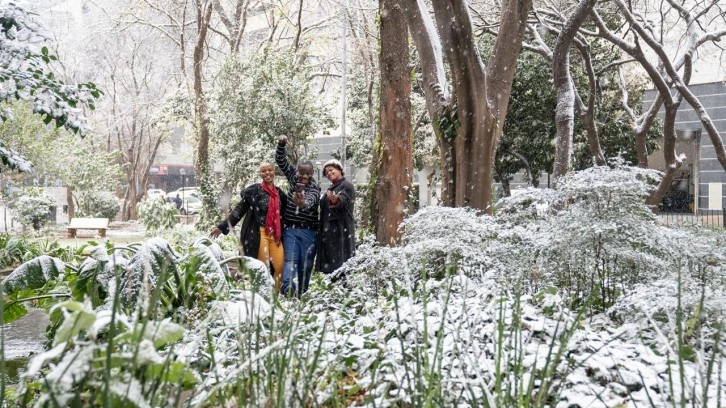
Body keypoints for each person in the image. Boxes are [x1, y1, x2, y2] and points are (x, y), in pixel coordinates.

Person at [210, 162, 288, 290]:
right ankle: (260, 297)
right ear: (260, 174)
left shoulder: (280, 194)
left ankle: (273, 299)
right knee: (262, 268)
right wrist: (222, 227)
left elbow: (285, 215)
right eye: (263, 171)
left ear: (274, 172)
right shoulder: (254, 192)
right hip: (258, 234)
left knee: (280, 267)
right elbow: (238, 210)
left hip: (275, 235)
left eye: (269, 170)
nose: (267, 173)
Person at [275, 136, 321, 298]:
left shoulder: (315, 188)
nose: (304, 176)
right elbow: (280, 160)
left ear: (312, 173)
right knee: (290, 261)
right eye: (301, 172)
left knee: (305, 266)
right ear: (297, 172)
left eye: (307, 173)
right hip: (291, 230)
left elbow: (310, 201)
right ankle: (288, 288)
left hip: (309, 232)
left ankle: (302, 294)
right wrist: (281, 144)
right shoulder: (293, 178)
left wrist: (301, 204)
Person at [316, 158, 356, 275]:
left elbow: (343, 200)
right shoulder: (332, 188)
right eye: (326, 172)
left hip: (340, 232)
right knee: (331, 266)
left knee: (340, 265)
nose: (329, 173)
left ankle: (342, 289)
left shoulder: (346, 186)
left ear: (339, 170)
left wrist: (336, 201)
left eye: (331, 170)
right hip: (329, 233)